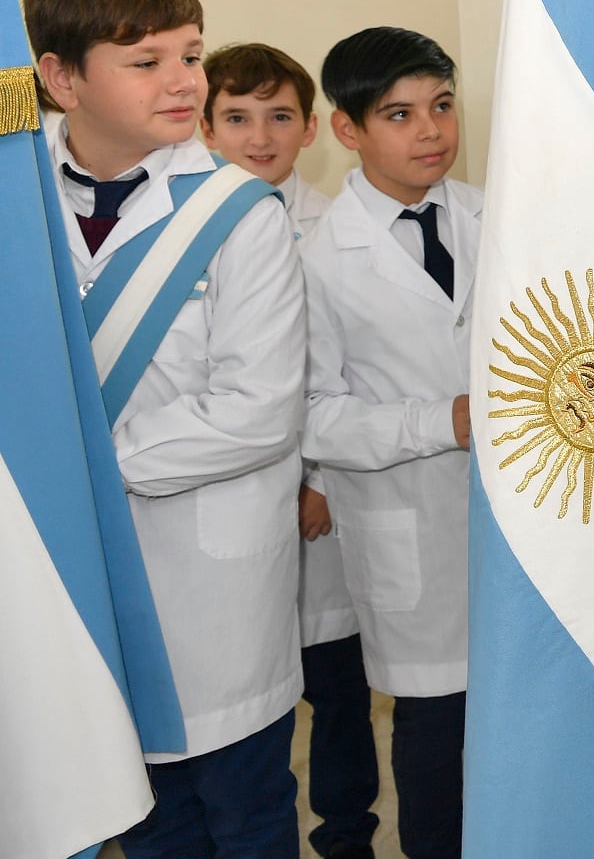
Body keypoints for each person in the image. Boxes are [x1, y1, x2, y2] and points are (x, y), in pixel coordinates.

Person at [26, 0, 307, 858]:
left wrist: (78, 468)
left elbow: (258, 409)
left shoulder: (239, 213)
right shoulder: (16, 198)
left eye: (191, 53)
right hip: (64, 579)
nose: (185, 80)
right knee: (137, 822)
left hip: (209, 585)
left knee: (246, 817)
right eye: (145, 61)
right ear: (61, 77)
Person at [301, 28, 479, 859]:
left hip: (515, 520)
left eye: (442, 106)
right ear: (347, 130)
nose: (431, 130)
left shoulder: (493, 216)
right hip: (410, 525)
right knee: (436, 732)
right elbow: (313, 417)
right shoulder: (316, 258)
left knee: (519, 718)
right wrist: (439, 421)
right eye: (400, 114)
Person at [202, 42, 380, 859]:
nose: (259, 136)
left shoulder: (333, 227)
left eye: (279, 117)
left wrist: (315, 481)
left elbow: (333, 373)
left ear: (311, 128)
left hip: (325, 499)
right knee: (250, 706)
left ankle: (346, 834)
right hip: (233, 505)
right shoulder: (191, 236)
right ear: (206, 128)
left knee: (337, 692)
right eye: (237, 118)